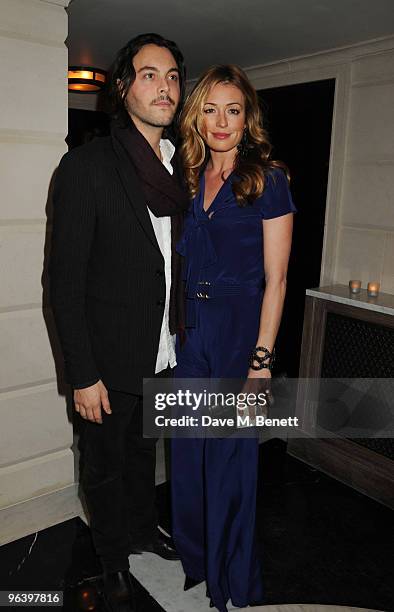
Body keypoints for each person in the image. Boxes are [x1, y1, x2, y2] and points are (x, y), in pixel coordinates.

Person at [49, 33, 189, 611]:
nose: (165, 86)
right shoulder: (88, 166)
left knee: (141, 456)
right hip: (105, 361)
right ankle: (110, 560)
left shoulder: (180, 164)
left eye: (174, 76)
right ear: (124, 87)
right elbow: (63, 282)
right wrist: (83, 374)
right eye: (150, 74)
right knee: (103, 467)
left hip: (161, 351)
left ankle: (139, 529)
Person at [171, 65, 297, 611]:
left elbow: (278, 279)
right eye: (211, 108)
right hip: (189, 334)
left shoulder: (268, 179)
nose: (221, 121)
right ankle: (197, 560)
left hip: (237, 334)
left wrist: (261, 364)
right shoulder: (187, 176)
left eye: (234, 109)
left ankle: (232, 579)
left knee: (229, 460)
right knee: (187, 452)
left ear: (248, 119)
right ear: (197, 115)